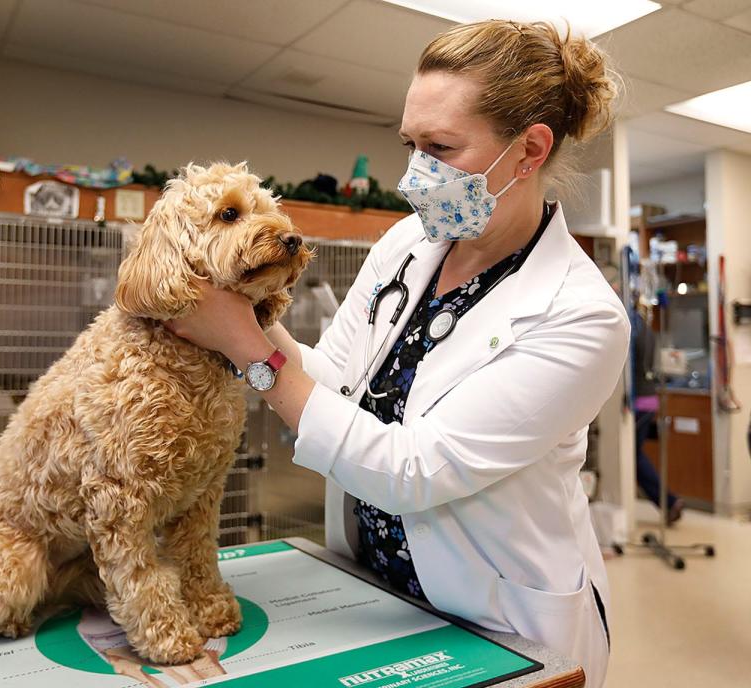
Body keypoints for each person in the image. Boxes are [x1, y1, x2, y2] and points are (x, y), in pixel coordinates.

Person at [166, 20, 628, 688]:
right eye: (411, 144)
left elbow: (413, 471)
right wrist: (246, 315)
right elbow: (334, 381)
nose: (415, 174)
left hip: (499, 619)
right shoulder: (407, 243)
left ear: (528, 151)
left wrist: (243, 344)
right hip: (379, 592)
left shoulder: (580, 314)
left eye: (440, 147)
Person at [631, 305, 684, 524]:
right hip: (648, 399)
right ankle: (669, 502)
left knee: (633, 456)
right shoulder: (642, 325)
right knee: (636, 455)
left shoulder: (631, 326)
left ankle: (669, 501)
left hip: (639, 400)